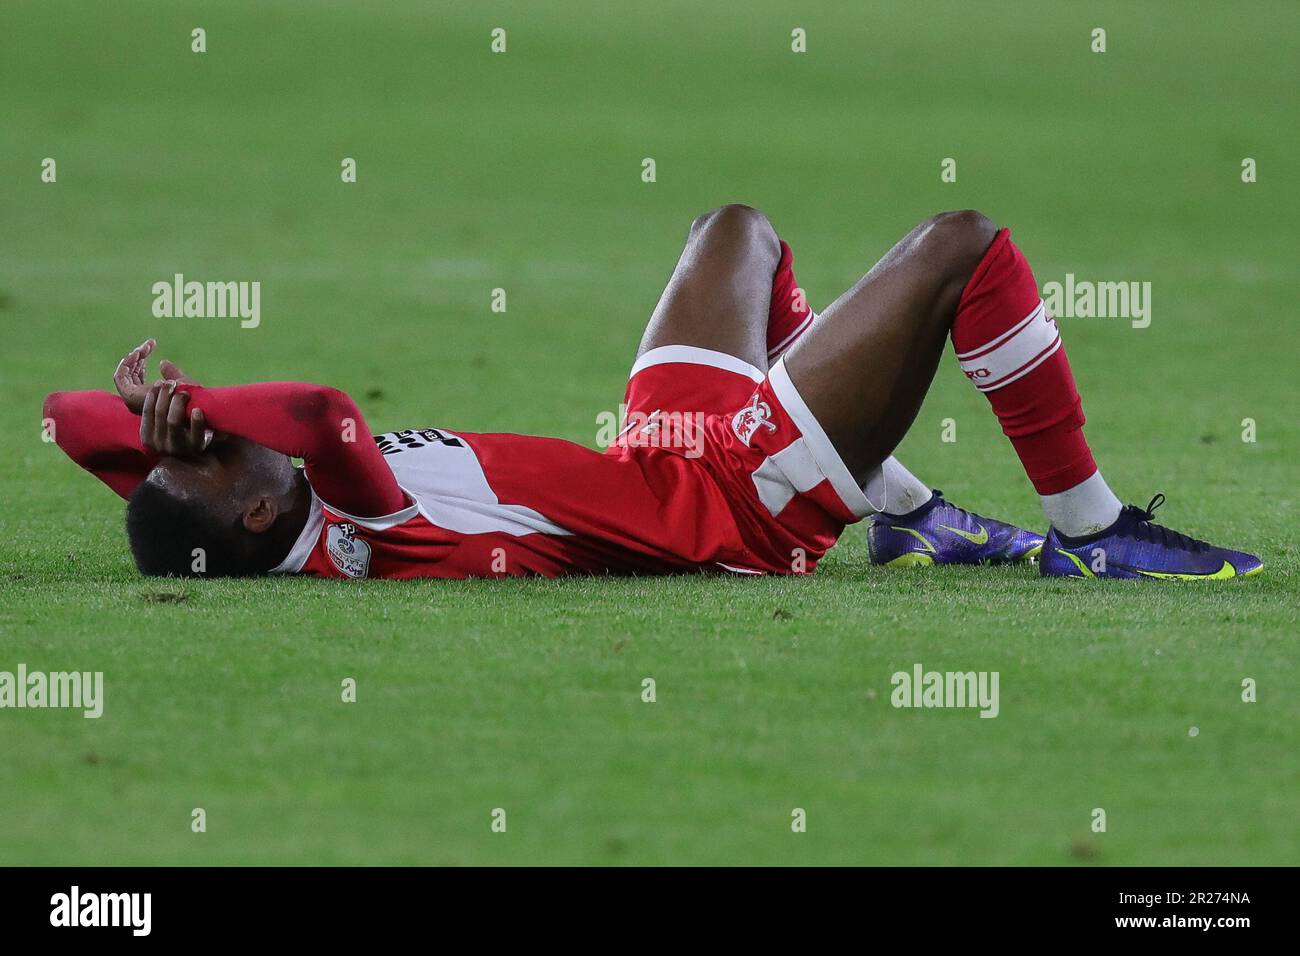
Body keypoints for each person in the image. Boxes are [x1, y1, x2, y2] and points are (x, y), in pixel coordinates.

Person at [43, 206, 1260, 580]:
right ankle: (1094, 532)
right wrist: (210, 401)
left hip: (663, 448)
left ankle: (895, 503)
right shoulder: (354, 519)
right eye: (209, 455)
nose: (204, 434)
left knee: (738, 231)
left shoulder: (252, 509)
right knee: (963, 248)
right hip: (736, 499)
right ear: (257, 513)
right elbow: (316, 409)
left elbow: (68, 419)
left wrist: (168, 442)